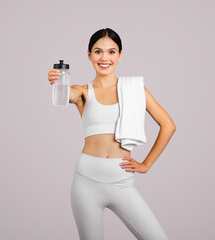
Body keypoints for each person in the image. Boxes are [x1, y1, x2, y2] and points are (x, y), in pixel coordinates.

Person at [48, 28, 176, 240]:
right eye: (98, 51)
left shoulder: (135, 89)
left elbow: (168, 125)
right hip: (86, 183)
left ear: (120, 55)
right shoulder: (82, 91)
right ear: (89, 55)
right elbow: (64, 95)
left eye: (111, 51)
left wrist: (146, 164)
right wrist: (56, 80)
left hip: (121, 182)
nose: (104, 57)